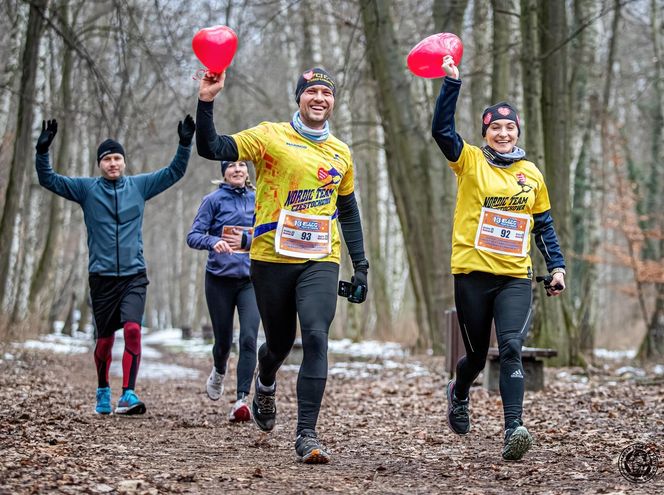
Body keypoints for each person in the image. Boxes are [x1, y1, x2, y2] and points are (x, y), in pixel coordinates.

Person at [195, 67, 369, 463]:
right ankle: (265, 380)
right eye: (312, 92)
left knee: (315, 335)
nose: (320, 98)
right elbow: (213, 148)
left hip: (320, 258)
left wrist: (360, 265)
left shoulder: (341, 152)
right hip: (271, 258)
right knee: (278, 344)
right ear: (299, 98)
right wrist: (207, 101)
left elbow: (348, 210)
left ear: (333, 101)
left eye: (327, 92)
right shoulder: (270, 135)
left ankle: (307, 434)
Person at [431, 56, 566, 461]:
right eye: (495, 128)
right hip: (472, 274)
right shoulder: (469, 160)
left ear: (517, 131)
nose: (503, 133)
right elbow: (441, 131)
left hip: (514, 277)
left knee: (510, 346)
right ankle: (459, 391)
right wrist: (451, 84)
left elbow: (543, 225)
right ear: (486, 133)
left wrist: (556, 267)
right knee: (475, 356)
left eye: (510, 127)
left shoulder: (532, 174)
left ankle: (513, 429)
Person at [35, 115, 196, 416]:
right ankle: (102, 389)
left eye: (117, 158)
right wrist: (42, 151)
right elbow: (49, 180)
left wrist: (184, 143)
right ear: (100, 163)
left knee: (134, 329)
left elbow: (174, 172)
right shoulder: (86, 190)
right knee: (105, 341)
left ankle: (128, 393)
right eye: (107, 159)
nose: (113, 163)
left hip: (134, 274)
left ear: (124, 162)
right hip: (102, 278)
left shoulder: (139, 186)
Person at [187, 160, 260, 423]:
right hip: (218, 280)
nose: (238, 169)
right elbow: (193, 235)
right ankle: (219, 370)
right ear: (224, 172)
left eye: (242, 165)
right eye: (231, 166)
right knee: (223, 341)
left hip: (251, 281)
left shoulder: (259, 197)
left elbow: (272, 234)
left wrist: (248, 240)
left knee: (249, 338)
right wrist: (213, 240)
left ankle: (242, 400)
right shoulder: (213, 200)